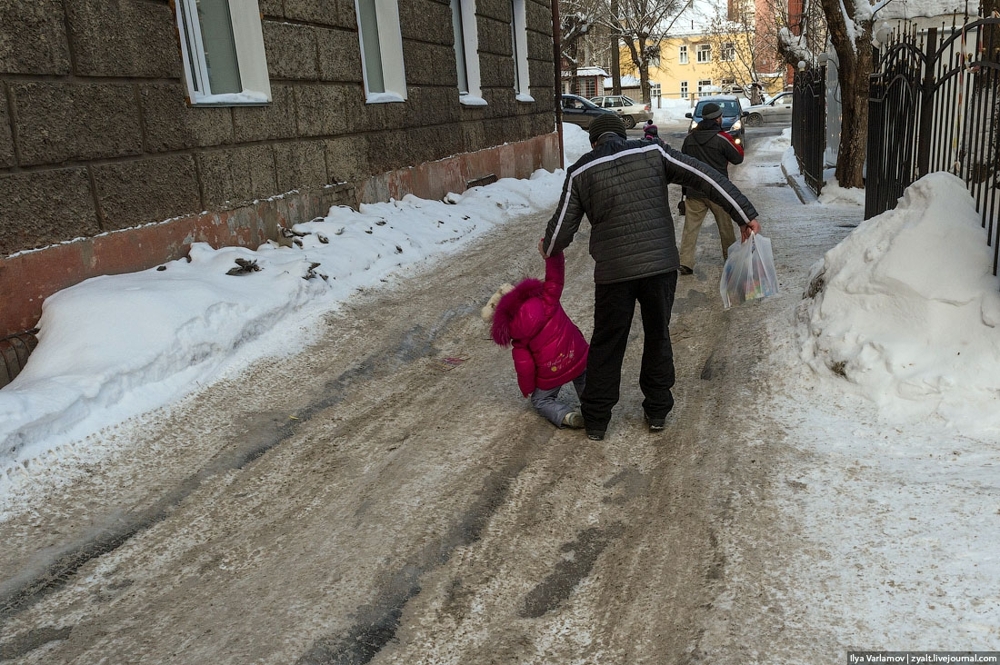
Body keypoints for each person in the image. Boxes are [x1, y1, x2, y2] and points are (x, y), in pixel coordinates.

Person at [541, 112, 760, 441]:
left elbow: (561, 232)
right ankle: (657, 410)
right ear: (622, 134)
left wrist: (548, 246)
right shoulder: (653, 151)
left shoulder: (581, 170)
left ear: (593, 142)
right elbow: (707, 178)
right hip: (659, 267)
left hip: (614, 273)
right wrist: (745, 216)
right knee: (658, 334)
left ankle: (597, 420)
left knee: (607, 342)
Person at [481, 252, 588, 429]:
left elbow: (525, 367)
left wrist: (528, 389)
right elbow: (555, 278)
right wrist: (553, 254)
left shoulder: (518, 338)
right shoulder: (547, 300)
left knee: (540, 400)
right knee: (584, 377)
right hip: (577, 355)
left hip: (552, 371)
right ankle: (592, 409)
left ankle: (566, 416)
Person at [677, 102, 746, 275]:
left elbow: (684, 165)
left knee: (690, 228)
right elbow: (738, 157)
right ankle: (730, 258)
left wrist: (685, 192)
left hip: (694, 190)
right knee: (725, 227)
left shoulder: (689, 139)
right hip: (718, 191)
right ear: (717, 118)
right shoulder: (722, 138)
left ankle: (685, 261)